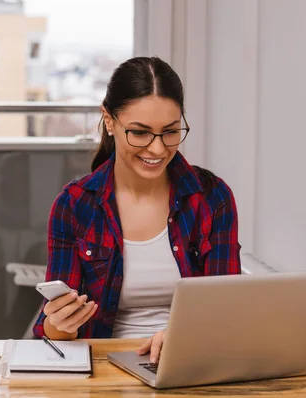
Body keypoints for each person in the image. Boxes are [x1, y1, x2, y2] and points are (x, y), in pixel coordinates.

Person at [33, 56, 241, 364]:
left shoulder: (212, 197)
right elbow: (58, 335)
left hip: (193, 361)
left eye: (170, 131)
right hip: (105, 368)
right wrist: (59, 323)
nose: (157, 149)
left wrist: (184, 336)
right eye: (140, 132)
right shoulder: (75, 205)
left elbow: (227, 310)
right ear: (109, 120)